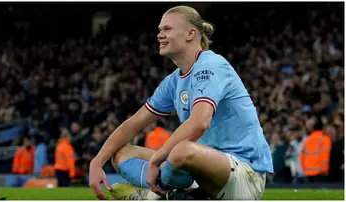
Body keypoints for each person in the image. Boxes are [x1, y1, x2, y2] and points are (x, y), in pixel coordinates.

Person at [89, 5, 273, 200]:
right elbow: (133, 124)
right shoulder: (174, 81)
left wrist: (155, 161)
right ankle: (175, 193)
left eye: (167, 29)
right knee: (121, 154)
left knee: (181, 150)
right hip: (202, 173)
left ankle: (153, 195)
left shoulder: (211, 65)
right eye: (160, 30)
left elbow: (199, 123)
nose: (160, 35)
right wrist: (97, 162)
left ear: (190, 34)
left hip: (244, 173)